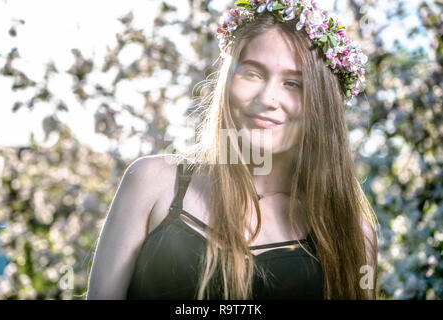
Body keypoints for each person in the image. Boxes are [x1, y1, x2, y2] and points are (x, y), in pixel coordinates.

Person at [86, 0, 378, 300]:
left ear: (322, 106)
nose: (268, 98)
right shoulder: (153, 181)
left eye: (293, 84)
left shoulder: (352, 234)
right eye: (253, 74)